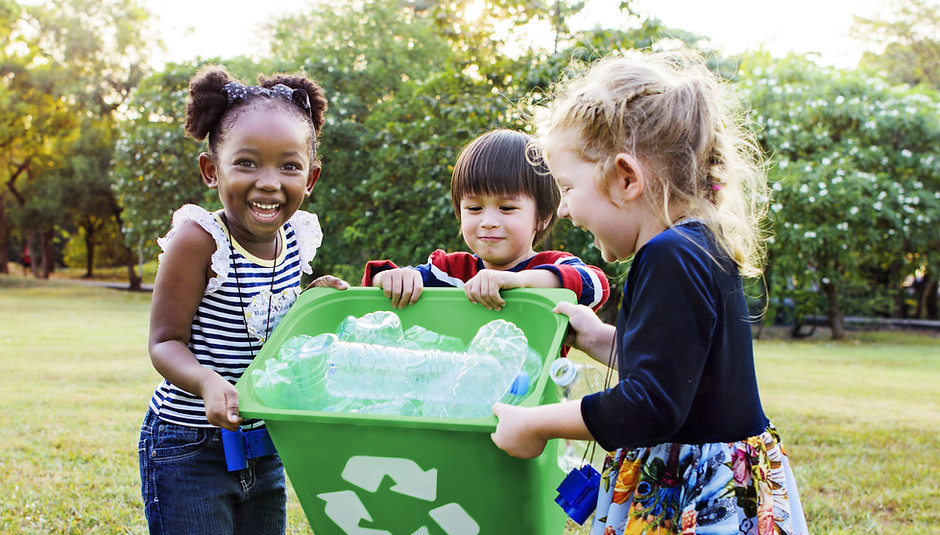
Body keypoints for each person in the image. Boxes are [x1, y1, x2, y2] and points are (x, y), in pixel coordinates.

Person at [491, 52, 808, 535]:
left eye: (568, 188)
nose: (568, 211)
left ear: (626, 179)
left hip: (694, 495)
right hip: (722, 478)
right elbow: (680, 370)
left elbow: (650, 405)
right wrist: (600, 338)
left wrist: (536, 422)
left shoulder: (668, 255)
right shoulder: (698, 242)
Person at [139, 65, 348, 534]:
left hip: (264, 443)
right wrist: (207, 382)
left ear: (310, 177)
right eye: (247, 162)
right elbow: (164, 341)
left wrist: (312, 305)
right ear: (212, 170)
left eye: (289, 166)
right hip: (189, 448)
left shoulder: (297, 237)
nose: (269, 181)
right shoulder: (198, 240)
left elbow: (270, 328)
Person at [362, 128, 610, 313]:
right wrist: (391, 279)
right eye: (474, 208)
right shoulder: (450, 274)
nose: (488, 221)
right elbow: (376, 283)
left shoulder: (551, 266)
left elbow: (597, 285)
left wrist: (519, 281)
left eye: (506, 207)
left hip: (537, 384)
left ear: (543, 217)